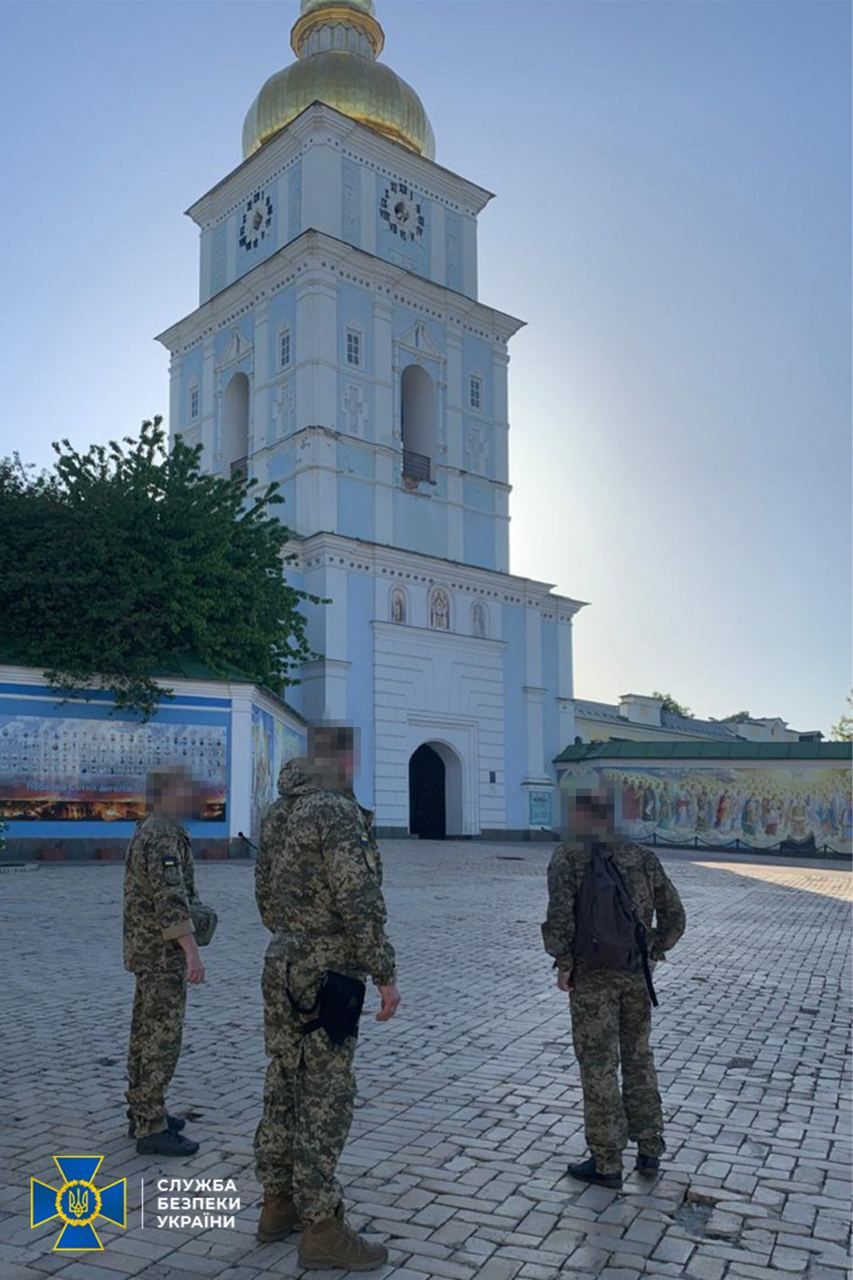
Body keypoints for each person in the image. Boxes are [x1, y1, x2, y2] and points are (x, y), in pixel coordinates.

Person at [254, 726, 401, 1272]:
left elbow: (265, 897)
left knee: (283, 1082)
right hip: (329, 973)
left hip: (282, 962)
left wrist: (295, 932)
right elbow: (359, 900)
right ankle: (321, 1226)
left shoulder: (279, 813)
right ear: (341, 760)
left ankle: (278, 1202)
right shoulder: (336, 813)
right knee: (324, 1096)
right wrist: (384, 973)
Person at [542, 771, 686, 1190]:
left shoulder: (569, 856)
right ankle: (650, 1148)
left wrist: (564, 963)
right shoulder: (642, 857)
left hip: (591, 978)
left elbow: (560, 918)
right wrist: (653, 951)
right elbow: (675, 917)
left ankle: (606, 1162)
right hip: (636, 975)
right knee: (639, 1056)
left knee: (598, 1064)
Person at [124, 765, 205, 1157]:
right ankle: (151, 1127)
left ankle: (142, 1110)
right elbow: (170, 900)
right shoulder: (162, 834)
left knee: (144, 1032)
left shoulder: (153, 826)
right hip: (161, 953)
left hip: (148, 949)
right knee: (160, 1037)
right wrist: (192, 954)